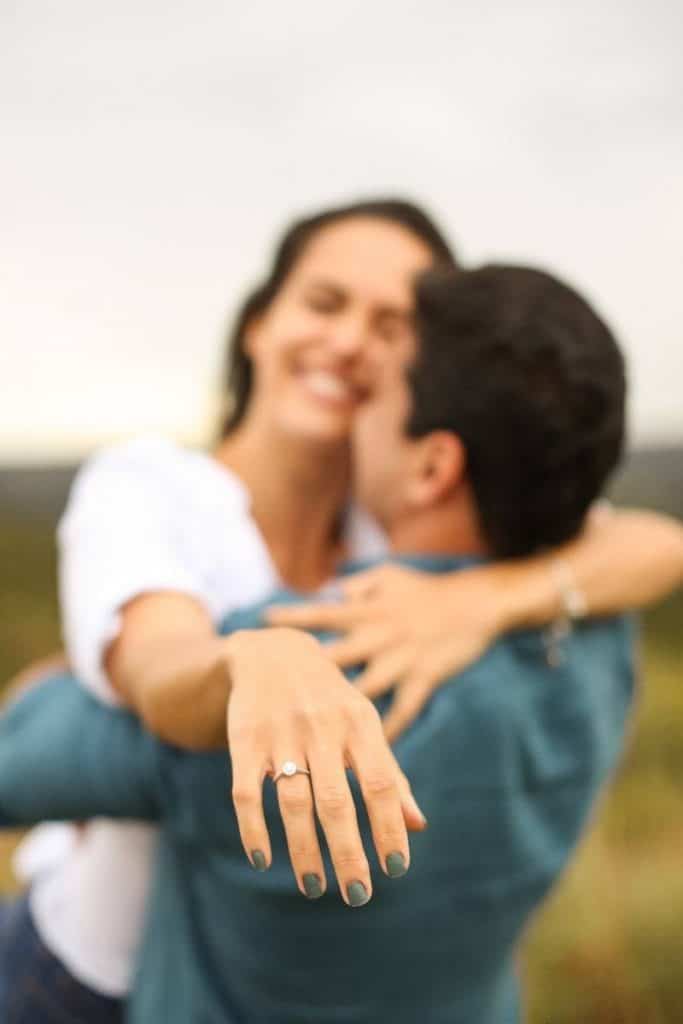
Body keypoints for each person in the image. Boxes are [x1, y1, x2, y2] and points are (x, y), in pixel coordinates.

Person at [3, 200, 683, 1021]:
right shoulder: (149, 492)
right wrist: (257, 660)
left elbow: (655, 544)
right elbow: (155, 671)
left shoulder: (401, 524)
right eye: (325, 303)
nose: (354, 342)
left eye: (392, 326)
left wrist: (472, 601)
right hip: (94, 965)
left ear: (436, 460)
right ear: (258, 322)